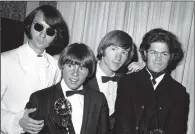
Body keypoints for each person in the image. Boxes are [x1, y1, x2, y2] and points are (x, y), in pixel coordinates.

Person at [1, 5, 69, 134]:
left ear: (55, 36)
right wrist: (16, 121)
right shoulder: (4, 60)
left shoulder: (55, 66)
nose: (43, 35)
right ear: (29, 26)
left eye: (50, 31)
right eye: (39, 27)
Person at [114, 28, 190, 134]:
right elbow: (121, 123)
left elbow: (177, 130)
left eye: (164, 54)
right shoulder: (127, 82)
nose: (158, 59)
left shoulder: (179, 92)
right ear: (145, 53)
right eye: (153, 53)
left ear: (171, 57)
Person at [24, 43, 109, 134]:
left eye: (82, 68)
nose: (75, 74)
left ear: (89, 72)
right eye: (70, 66)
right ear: (62, 66)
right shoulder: (40, 98)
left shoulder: (99, 99)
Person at [84, 30, 144, 133]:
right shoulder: (84, 74)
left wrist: (144, 73)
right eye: (114, 49)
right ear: (102, 50)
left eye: (124, 52)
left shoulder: (127, 81)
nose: (118, 57)